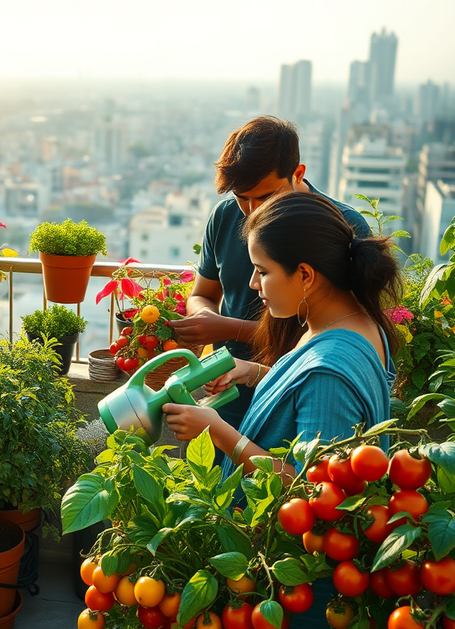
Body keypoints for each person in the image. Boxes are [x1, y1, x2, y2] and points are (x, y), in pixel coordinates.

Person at [162, 191, 398, 629]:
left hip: (299, 593)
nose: (253, 284)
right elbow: (304, 381)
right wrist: (252, 371)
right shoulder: (348, 319)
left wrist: (217, 431)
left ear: (305, 274)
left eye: (263, 271)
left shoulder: (331, 373)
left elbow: (312, 493)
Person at [169, 116, 373, 433]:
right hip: (230, 395)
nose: (252, 211)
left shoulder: (339, 227)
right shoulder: (224, 216)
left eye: (265, 197)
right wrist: (205, 320)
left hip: (301, 400)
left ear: (298, 174)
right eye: (241, 197)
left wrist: (229, 328)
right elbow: (202, 294)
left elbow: (335, 333)